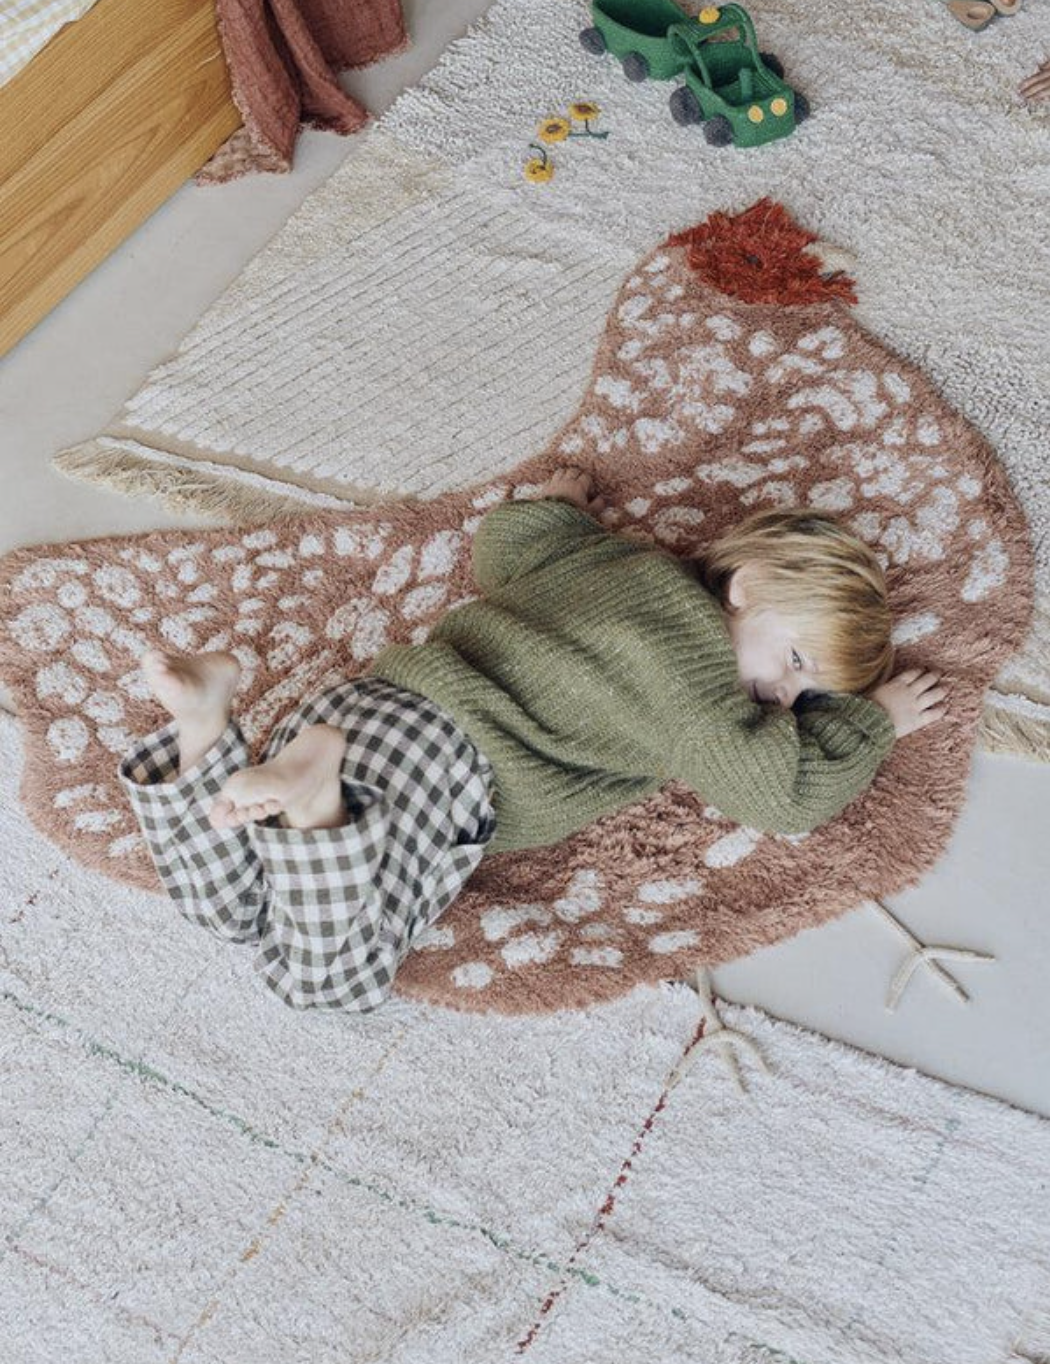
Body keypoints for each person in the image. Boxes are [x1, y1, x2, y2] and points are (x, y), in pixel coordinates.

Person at [120, 466, 946, 1011]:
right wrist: (870, 718)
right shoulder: (701, 696)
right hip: (447, 772)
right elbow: (785, 796)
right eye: (796, 663)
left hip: (373, 702)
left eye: (811, 696)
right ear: (747, 586)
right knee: (322, 979)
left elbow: (505, 550)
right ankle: (312, 806)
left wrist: (556, 509)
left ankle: (205, 733)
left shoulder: (621, 562)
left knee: (228, 903)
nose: (786, 697)